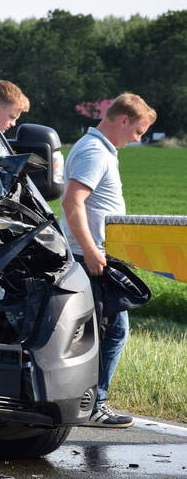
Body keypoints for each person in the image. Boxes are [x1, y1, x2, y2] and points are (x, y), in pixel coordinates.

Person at [61, 93, 156, 428]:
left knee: (103, 332)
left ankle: (88, 402)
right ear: (123, 120)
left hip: (95, 254)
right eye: (138, 131)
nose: (138, 139)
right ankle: (94, 405)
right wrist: (89, 249)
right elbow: (73, 201)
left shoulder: (98, 149)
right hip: (91, 256)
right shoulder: (94, 152)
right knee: (113, 332)